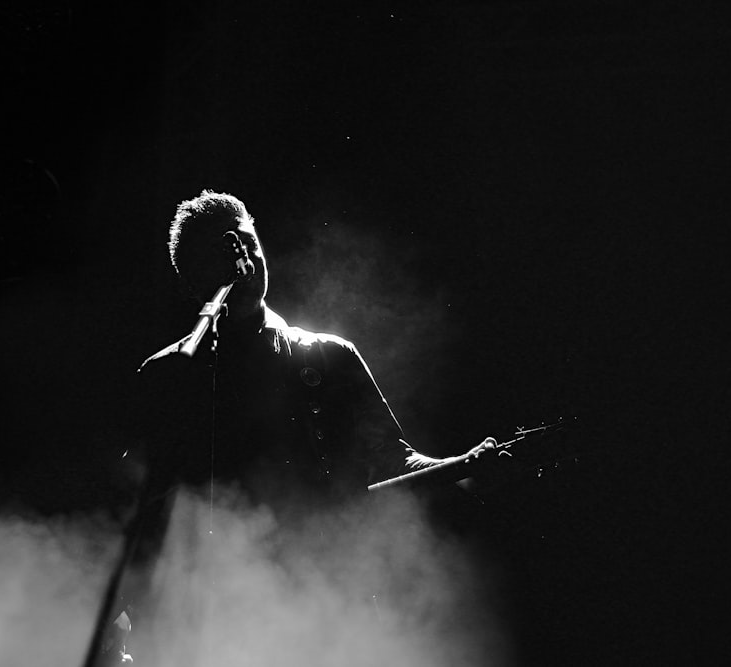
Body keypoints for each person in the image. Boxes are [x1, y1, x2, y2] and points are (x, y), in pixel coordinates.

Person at [94, 190, 495, 666]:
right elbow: (138, 514)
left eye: (247, 242)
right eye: (223, 252)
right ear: (191, 279)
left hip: (320, 606)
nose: (243, 258)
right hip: (202, 622)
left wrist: (460, 466)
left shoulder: (329, 357)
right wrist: (115, 631)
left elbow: (393, 456)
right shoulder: (169, 375)